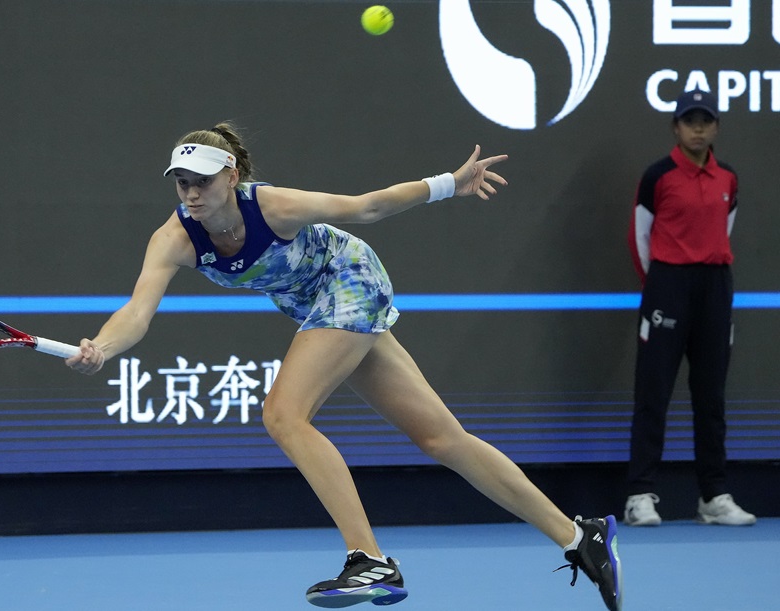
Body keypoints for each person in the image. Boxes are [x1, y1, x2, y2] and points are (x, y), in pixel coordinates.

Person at [66, 122, 622, 610]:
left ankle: (369, 560)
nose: (191, 194)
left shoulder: (273, 206)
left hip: (350, 277)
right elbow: (137, 312)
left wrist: (449, 183)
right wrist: (104, 347)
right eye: (182, 183)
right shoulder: (174, 239)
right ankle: (580, 536)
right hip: (316, 308)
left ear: (231, 176)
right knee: (441, 438)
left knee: (283, 415)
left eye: (203, 182)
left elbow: (367, 206)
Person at [624, 89, 756, 528]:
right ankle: (639, 495)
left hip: (715, 287)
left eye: (706, 121)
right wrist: (663, 283)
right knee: (653, 394)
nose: (698, 129)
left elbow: (724, 227)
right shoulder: (658, 176)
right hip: (667, 286)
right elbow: (640, 238)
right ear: (676, 127)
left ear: (716, 127)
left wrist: (701, 269)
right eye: (689, 121)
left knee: (711, 397)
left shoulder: (728, 178)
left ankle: (713, 495)